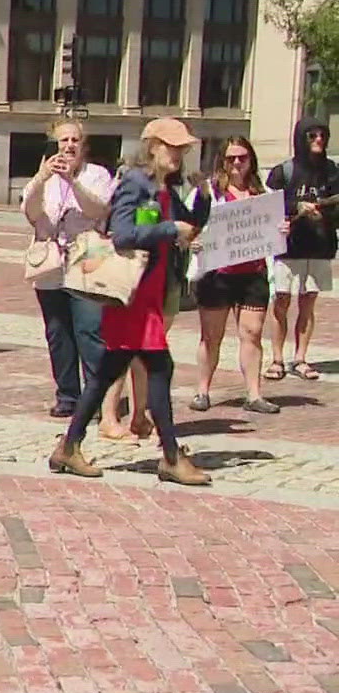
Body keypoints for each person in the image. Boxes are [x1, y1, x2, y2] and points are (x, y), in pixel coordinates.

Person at [50, 118, 211, 486]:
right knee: (159, 368)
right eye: (173, 147)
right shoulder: (135, 183)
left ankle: (69, 445)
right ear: (153, 146)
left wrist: (202, 196)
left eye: (183, 148)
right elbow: (122, 235)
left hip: (150, 294)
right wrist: (170, 230)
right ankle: (170, 456)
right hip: (132, 299)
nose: (180, 154)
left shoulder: (165, 186)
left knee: (107, 373)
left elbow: (190, 223)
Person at [21, 119, 116, 419]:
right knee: (58, 332)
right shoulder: (44, 177)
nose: (69, 146)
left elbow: (98, 210)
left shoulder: (97, 175)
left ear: (83, 146)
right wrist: (41, 178)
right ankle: (68, 396)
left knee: (89, 329)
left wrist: (72, 182)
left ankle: (96, 396)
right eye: (63, 141)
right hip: (51, 263)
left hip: (88, 257)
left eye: (75, 140)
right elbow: (32, 213)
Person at [192, 137, 278, 413]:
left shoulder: (262, 193)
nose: (237, 163)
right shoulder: (208, 193)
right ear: (223, 162)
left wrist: (281, 230)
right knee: (211, 335)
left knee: (252, 333)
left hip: (253, 272)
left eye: (242, 157)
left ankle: (253, 394)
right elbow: (189, 224)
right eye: (231, 158)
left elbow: (272, 228)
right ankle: (202, 391)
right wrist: (193, 239)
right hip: (218, 273)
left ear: (251, 160)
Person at [265, 119, 339, 382]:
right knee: (281, 302)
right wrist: (297, 207)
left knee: (307, 304)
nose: (318, 139)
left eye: (322, 135)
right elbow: (267, 206)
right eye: (312, 135)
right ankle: (276, 359)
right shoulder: (283, 171)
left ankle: (301, 358)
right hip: (287, 247)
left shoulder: (332, 171)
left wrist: (327, 217)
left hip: (319, 247)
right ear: (301, 138)